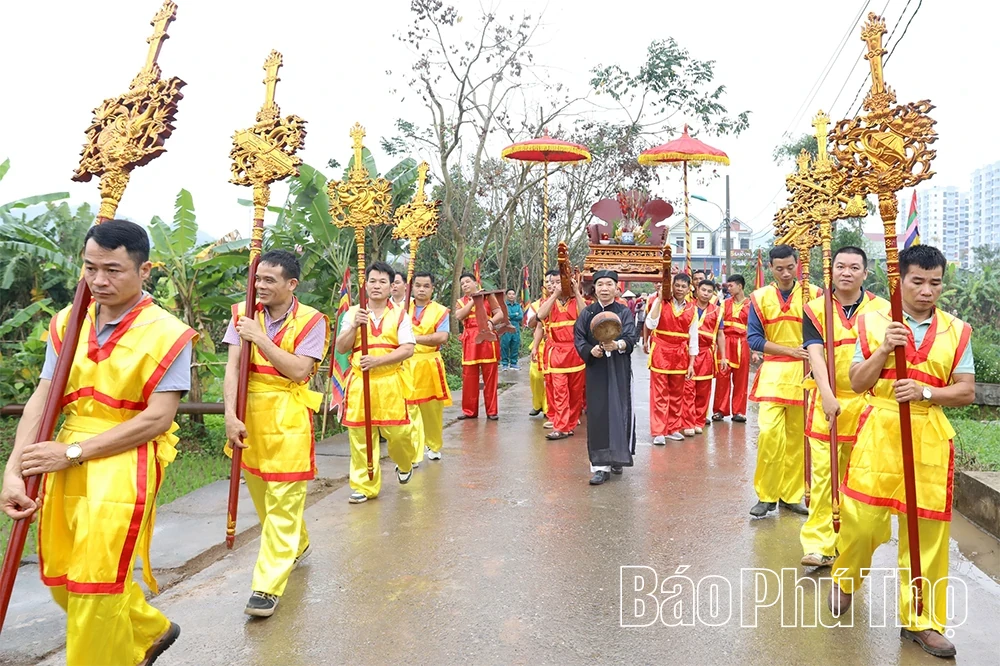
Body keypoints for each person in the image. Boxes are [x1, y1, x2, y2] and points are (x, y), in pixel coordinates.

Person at [1, 220, 195, 664]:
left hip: (123, 462)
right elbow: (43, 397)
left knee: (95, 586)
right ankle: (150, 628)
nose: (99, 281)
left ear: (145, 270)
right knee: (62, 577)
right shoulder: (68, 322)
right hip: (61, 455)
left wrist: (71, 453)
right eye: (90, 268)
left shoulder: (168, 333)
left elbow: (157, 418)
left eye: (113, 270)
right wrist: (14, 470)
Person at [830, 246, 974, 658]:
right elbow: (857, 383)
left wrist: (928, 391)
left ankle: (922, 621)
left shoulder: (956, 330)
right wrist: (882, 349)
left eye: (935, 282)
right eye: (918, 281)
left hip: (928, 435)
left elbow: (965, 389)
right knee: (860, 522)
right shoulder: (872, 321)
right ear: (901, 280)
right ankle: (845, 577)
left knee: (926, 532)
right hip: (879, 431)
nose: (927, 290)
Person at [222, 250, 328, 618]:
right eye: (258, 279)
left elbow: (299, 371)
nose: (260, 286)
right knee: (266, 500)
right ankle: (297, 543)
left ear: (291, 284)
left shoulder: (313, 320)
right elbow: (233, 368)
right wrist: (230, 415)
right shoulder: (241, 313)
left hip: (288, 417)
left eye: (269, 280)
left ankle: (266, 587)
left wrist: (260, 337)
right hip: (249, 417)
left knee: (283, 498)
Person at [796, 246, 888, 569]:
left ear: (865, 272)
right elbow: (815, 353)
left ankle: (849, 544)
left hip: (868, 406)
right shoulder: (815, 309)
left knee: (859, 482)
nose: (845, 272)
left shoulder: (883, 310)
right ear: (830, 271)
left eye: (853, 267)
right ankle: (820, 544)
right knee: (823, 478)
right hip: (828, 404)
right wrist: (826, 394)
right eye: (839, 266)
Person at [747, 244, 820, 518]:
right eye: (780, 269)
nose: (786, 273)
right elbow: (753, 339)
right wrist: (789, 350)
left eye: (791, 267)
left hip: (805, 374)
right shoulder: (760, 297)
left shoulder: (814, 294)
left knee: (797, 440)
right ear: (771, 268)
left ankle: (791, 495)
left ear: (798, 264)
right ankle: (766, 496)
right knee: (769, 435)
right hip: (774, 374)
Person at [335, 262, 416, 503]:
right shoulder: (353, 312)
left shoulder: (401, 315)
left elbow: (408, 349)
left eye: (382, 281)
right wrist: (355, 326)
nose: (376, 286)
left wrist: (379, 361)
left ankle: (404, 463)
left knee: (399, 433)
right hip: (361, 382)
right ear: (365, 284)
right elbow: (340, 347)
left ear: (392, 286)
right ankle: (365, 485)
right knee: (361, 435)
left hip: (390, 381)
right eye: (372, 281)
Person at [575, 270, 637, 484]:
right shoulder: (587, 313)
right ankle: (601, 466)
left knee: (620, 408)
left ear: (616, 287)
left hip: (618, 365)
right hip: (597, 368)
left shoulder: (624, 312)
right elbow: (579, 338)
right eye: (600, 284)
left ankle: (618, 456)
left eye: (608, 284)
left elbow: (631, 336)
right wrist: (590, 351)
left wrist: (618, 344)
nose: (604, 288)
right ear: (595, 288)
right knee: (599, 412)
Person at [645, 273, 699, 443]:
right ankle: (659, 431)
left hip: (680, 354)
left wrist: (691, 363)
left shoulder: (692, 308)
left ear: (689, 288)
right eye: (677, 286)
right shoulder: (661, 303)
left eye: (684, 286)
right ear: (671, 286)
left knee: (677, 393)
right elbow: (650, 324)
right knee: (660, 393)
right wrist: (660, 298)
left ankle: (672, 427)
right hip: (661, 351)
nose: (680, 289)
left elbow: (693, 337)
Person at [407, 272, 452, 463]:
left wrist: (412, 338)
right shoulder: (401, 308)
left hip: (429, 363)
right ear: (412, 287)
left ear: (432, 288)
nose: (421, 289)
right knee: (409, 408)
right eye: (418, 285)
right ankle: (414, 452)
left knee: (432, 408)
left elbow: (442, 337)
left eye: (426, 286)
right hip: (406, 363)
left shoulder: (440, 311)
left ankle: (433, 445)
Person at [537, 270, 588, 440]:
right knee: (559, 392)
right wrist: (555, 294)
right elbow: (540, 316)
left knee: (575, 394)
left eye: (562, 281)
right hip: (557, 353)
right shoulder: (548, 302)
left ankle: (569, 425)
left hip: (575, 352)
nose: (559, 284)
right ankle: (560, 427)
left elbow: (586, 317)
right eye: (555, 282)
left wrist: (576, 292)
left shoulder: (577, 301)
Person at [455, 272, 503, 420]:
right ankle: (469, 411)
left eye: (468, 282)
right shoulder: (461, 301)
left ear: (476, 282)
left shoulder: (488, 296)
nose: (465, 285)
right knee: (469, 377)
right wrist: (474, 300)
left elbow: (499, 313)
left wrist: (492, 322)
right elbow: (459, 315)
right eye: (462, 284)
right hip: (470, 339)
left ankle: (492, 411)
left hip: (487, 337)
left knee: (490, 376)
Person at [688, 279, 725, 433]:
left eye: (709, 291)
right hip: (688, 352)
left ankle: (699, 420)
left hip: (706, 353)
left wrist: (723, 357)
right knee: (688, 389)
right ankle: (688, 422)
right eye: (703, 290)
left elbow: (721, 335)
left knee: (704, 390)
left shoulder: (717, 311)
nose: (706, 294)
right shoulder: (688, 306)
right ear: (697, 290)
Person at [712, 275, 751, 422]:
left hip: (743, 343)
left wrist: (754, 351)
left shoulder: (751, 305)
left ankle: (739, 411)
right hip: (726, 342)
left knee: (741, 379)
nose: (728, 288)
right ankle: (719, 410)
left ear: (740, 286)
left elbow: (754, 328)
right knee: (722, 376)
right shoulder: (723, 303)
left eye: (731, 285)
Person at [525, 280, 551, 418]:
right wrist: (540, 313)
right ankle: (537, 404)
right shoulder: (535, 305)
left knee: (550, 377)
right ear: (543, 287)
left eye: (555, 282)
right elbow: (530, 324)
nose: (551, 285)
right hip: (539, 344)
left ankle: (548, 407)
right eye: (548, 282)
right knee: (535, 375)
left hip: (553, 344)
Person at [501, 288, 524, 370]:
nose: (511, 295)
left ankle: (513, 363)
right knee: (505, 345)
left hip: (516, 328)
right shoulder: (504, 306)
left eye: (513, 294)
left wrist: (511, 315)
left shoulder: (518, 306)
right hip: (506, 328)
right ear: (506, 296)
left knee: (515, 345)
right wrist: (515, 314)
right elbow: (505, 316)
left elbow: (521, 316)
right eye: (509, 294)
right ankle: (504, 364)